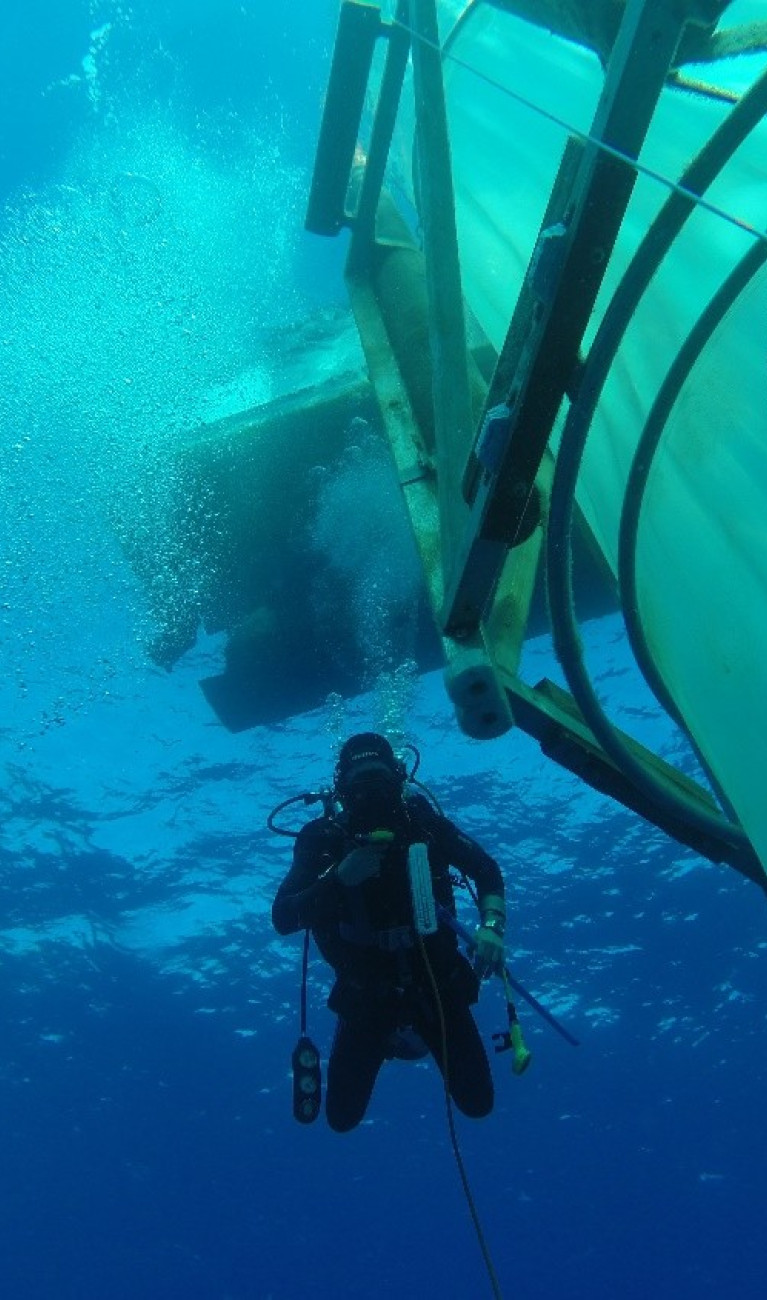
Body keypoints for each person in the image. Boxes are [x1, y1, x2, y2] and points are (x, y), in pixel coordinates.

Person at [271, 732, 508, 1133]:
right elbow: (283, 917)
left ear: (399, 782)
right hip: (365, 991)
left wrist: (491, 927)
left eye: (379, 784)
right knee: (342, 1118)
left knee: (478, 1103)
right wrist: (338, 880)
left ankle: (406, 1034)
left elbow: (486, 870)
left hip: (438, 980)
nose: (371, 798)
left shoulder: (424, 824)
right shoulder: (323, 838)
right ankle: (386, 1037)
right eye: (360, 788)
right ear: (343, 789)